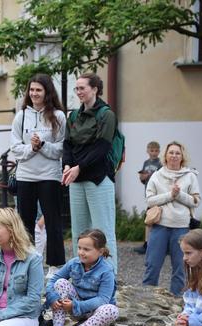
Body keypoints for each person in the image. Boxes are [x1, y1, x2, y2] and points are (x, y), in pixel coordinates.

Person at [10, 73, 66, 275]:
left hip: (49, 175)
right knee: (25, 222)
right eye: (31, 90)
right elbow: (15, 149)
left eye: (38, 90)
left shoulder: (58, 116)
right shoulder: (21, 115)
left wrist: (41, 145)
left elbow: (61, 149)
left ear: (47, 92)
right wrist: (31, 149)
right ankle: (28, 261)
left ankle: (54, 265)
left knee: (53, 221)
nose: (34, 94)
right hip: (25, 176)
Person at [62, 73, 118, 272]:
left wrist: (79, 167)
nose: (79, 92)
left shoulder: (107, 114)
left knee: (103, 231)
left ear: (94, 89)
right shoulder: (74, 116)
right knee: (80, 232)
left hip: (98, 179)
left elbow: (102, 147)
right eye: (76, 88)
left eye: (82, 88)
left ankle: (109, 276)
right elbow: (67, 145)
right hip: (76, 179)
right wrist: (68, 166)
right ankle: (81, 275)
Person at [143, 142, 200, 296]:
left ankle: (176, 302)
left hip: (181, 228)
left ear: (182, 157)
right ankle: (147, 300)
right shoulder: (157, 175)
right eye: (171, 153)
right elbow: (149, 201)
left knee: (180, 268)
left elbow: (196, 201)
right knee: (152, 266)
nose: (174, 155)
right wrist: (170, 195)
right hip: (159, 226)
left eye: (177, 153)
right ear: (165, 156)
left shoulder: (190, 176)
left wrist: (179, 195)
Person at [41, 229, 118, 326]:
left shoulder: (106, 270)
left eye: (86, 249)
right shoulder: (74, 263)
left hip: (95, 312)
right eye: (79, 248)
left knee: (112, 310)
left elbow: (103, 299)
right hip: (75, 309)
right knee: (60, 283)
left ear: (100, 251)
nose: (81, 252)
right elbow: (54, 279)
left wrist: (76, 305)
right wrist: (51, 296)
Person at [134, 141, 162, 255]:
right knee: (151, 219)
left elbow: (160, 177)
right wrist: (142, 177)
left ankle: (149, 245)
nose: (154, 153)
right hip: (148, 194)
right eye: (152, 150)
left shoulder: (161, 163)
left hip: (158, 195)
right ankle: (151, 244)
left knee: (151, 219)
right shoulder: (146, 162)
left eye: (156, 151)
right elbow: (143, 179)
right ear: (147, 151)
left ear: (159, 151)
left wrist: (149, 175)